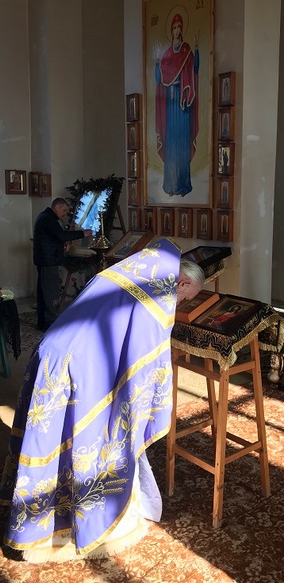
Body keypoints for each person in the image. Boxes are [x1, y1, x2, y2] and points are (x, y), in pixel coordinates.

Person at [0, 238, 204, 562]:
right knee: (93, 435)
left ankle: (38, 521)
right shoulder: (152, 302)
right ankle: (66, 527)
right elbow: (146, 364)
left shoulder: (128, 273)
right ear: (182, 283)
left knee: (51, 436)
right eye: (185, 298)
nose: (179, 304)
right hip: (77, 364)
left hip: (54, 351)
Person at [155, 12, 199, 197]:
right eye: (174, 27)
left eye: (179, 27)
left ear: (182, 29)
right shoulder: (166, 55)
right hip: (170, 106)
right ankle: (171, 185)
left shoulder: (186, 50)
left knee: (182, 144)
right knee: (171, 144)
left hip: (183, 104)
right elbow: (158, 79)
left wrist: (196, 50)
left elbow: (195, 69)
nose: (176, 30)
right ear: (171, 30)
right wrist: (156, 64)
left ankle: (183, 185)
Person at [33, 198, 92, 332]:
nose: (65, 214)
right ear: (57, 207)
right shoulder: (49, 219)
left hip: (45, 260)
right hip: (49, 262)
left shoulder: (44, 216)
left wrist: (61, 246)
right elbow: (60, 235)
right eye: (64, 210)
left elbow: (52, 238)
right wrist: (82, 233)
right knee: (50, 293)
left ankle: (42, 323)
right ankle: (50, 324)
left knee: (43, 293)